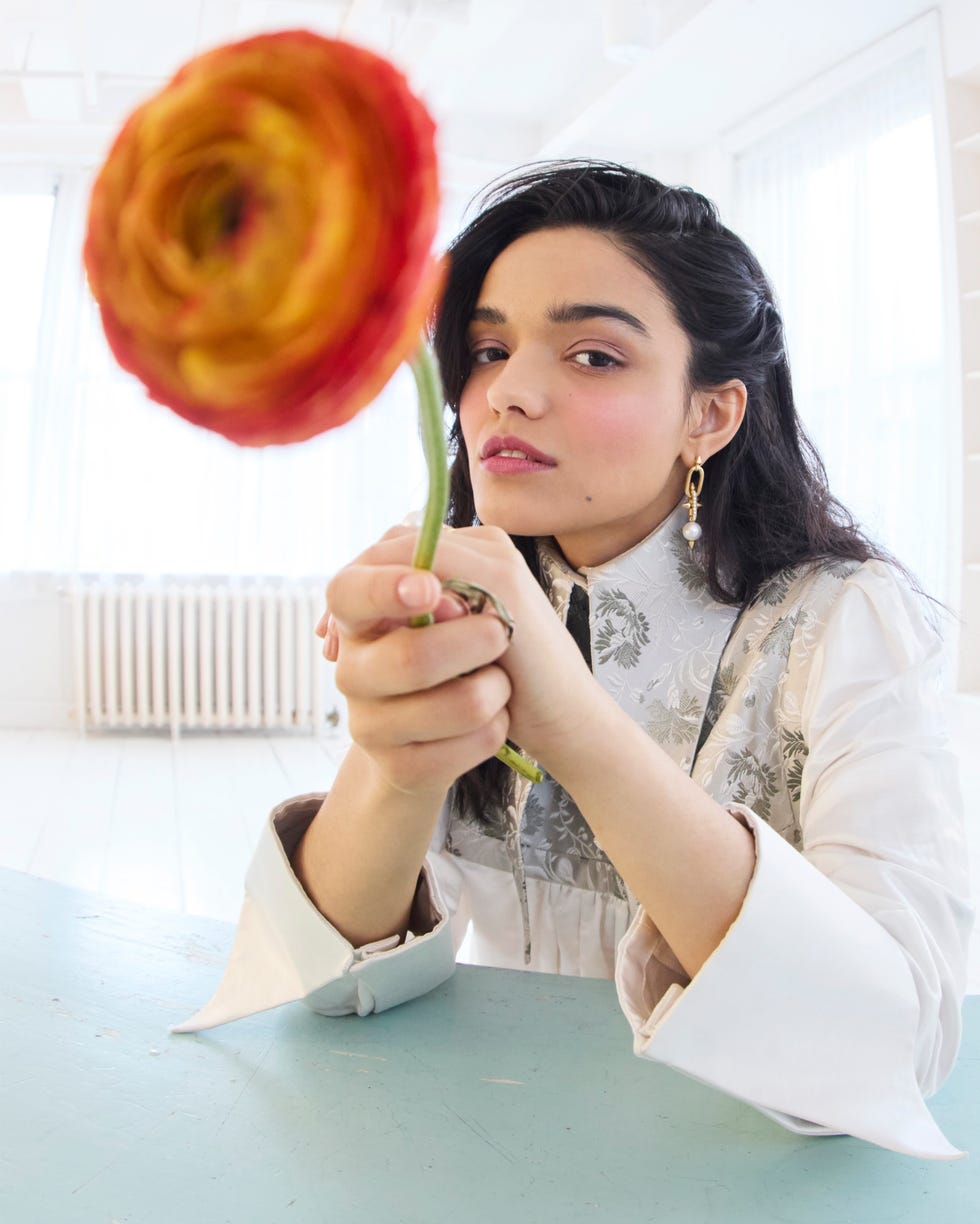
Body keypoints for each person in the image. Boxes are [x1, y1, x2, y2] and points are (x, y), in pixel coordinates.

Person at [175, 160, 974, 1159]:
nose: (508, 393)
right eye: (485, 348)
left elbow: (888, 1055)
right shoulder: (460, 598)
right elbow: (333, 986)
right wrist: (394, 758)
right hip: (485, 1149)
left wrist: (570, 719)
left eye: (592, 356)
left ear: (709, 416)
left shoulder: (845, 624)